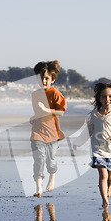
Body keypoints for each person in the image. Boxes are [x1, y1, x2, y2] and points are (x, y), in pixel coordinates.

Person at [74, 82, 111, 208]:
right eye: (104, 97)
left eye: (110, 96)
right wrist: (78, 142)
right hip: (98, 151)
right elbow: (87, 131)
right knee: (103, 175)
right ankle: (104, 199)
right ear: (99, 99)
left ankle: (110, 187)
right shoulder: (94, 115)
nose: (107, 99)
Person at [30, 60, 67, 197]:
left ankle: (52, 177)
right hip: (37, 132)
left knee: (50, 160)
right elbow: (37, 113)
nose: (43, 81)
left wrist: (46, 110)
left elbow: (61, 112)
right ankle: (38, 188)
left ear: (53, 79)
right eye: (40, 78)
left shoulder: (55, 93)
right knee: (39, 158)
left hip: (52, 133)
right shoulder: (34, 94)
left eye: (46, 78)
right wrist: (33, 118)